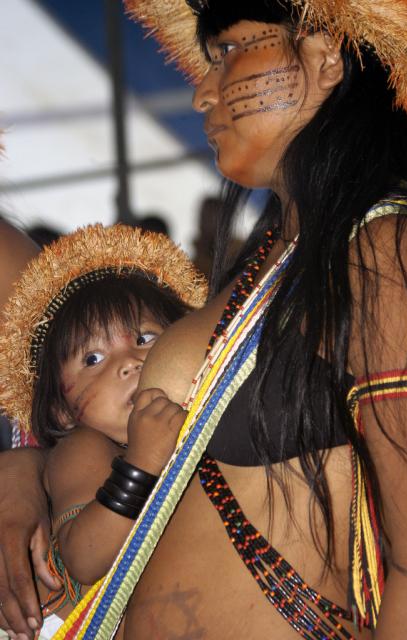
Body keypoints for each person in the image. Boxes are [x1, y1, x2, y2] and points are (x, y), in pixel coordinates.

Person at [1, 1, 407, 638]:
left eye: (228, 52)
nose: (202, 93)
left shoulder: (384, 249)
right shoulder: (274, 260)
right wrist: (24, 473)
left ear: (323, 55)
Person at [0, 223, 206, 639]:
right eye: (93, 358)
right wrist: (141, 463)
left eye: (145, 338)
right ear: (62, 412)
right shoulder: (84, 448)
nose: (128, 362)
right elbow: (86, 557)